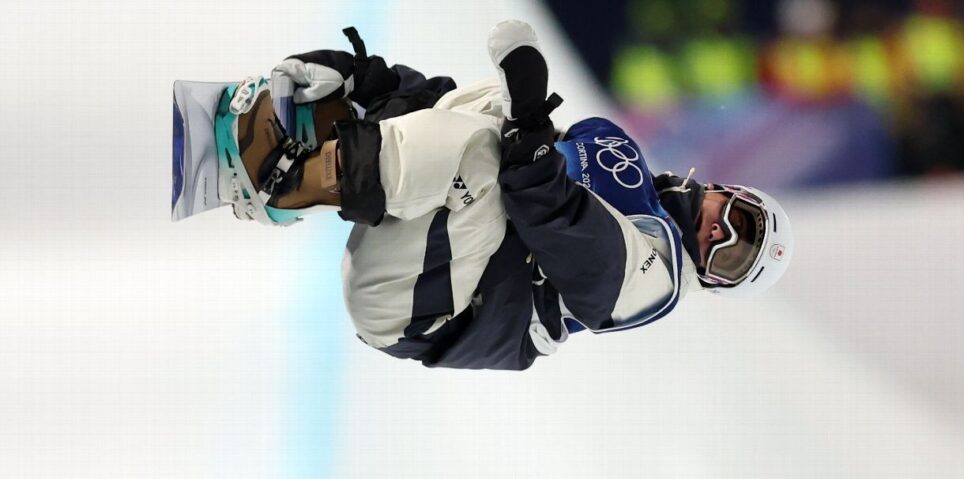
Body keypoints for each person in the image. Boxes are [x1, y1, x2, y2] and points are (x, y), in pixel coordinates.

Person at [215, 20, 794, 370]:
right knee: (494, 108)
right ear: (726, 191)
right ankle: (326, 125)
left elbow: (558, 218)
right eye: (740, 220)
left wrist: (532, 133)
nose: (722, 234)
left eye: (734, 255)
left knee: (488, 151)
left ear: (715, 282)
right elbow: (472, 125)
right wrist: (378, 83)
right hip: (441, 259)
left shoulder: (657, 281)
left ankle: (283, 181)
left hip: (425, 311)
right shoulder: (631, 172)